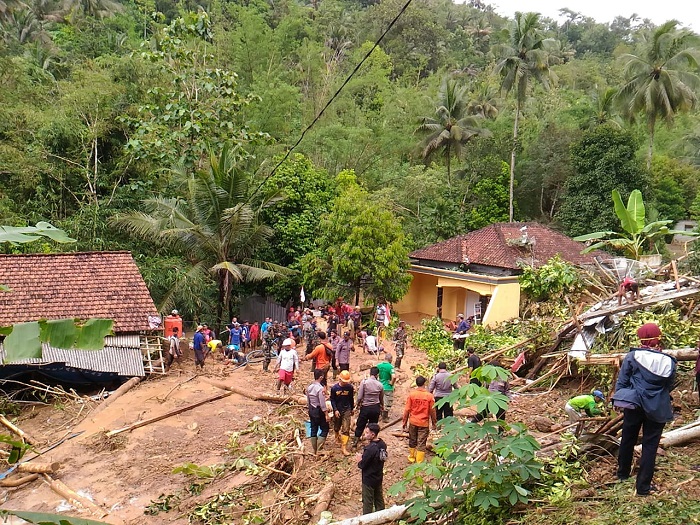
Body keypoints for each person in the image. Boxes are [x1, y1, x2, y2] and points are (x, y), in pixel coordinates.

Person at [613, 322, 676, 496]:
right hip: (657, 407)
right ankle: (643, 487)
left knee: (628, 438)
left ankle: (622, 474)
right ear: (658, 338)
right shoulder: (669, 361)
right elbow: (669, 385)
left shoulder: (633, 356)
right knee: (650, 445)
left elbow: (622, 381)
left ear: (641, 338)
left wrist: (620, 399)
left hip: (634, 404)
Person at [403, 376, 436, 464]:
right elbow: (432, 411)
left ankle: (411, 458)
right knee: (421, 442)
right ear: (424, 384)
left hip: (413, 421)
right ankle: (419, 461)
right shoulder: (429, 396)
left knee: (412, 439)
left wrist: (404, 422)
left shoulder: (412, 395)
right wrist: (434, 423)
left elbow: (407, 409)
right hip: (423, 423)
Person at [356, 422, 387, 515]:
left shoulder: (370, 449)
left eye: (366, 433)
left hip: (368, 479)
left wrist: (359, 460)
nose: (365, 435)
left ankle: (367, 519)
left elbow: (362, 465)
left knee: (368, 501)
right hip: (378, 476)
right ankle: (382, 516)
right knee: (379, 498)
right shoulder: (382, 444)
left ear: (373, 435)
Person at [353, 367, 384, 448]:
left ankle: (355, 442)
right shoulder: (380, 385)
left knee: (360, 424)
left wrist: (357, 404)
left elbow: (359, 396)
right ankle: (371, 443)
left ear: (370, 373)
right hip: (375, 408)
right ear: (377, 375)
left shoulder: (364, 382)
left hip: (365, 407)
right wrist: (382, 406)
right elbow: (381, 398)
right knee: (373, 425)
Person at [330, 370, 355, 456]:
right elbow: (332, 400)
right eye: (344, 381)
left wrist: (352, 408)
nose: (345, 383)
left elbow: (351, 398)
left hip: (347, 409)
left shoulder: (350, 388)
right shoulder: (334, 388)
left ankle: (344, 447)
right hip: (338, 409)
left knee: (346, 429)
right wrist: (335, 410)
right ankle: (337, 435)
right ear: (339, 379)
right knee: (337, 426)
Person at [307, 369, 329, 456]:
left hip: (312, 409)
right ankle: (319, 450)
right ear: (321, 377)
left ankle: (314, 450)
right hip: (319, 410)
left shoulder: (309, 387)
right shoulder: (320, 389)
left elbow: (308, 400)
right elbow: (322, 403)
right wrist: (326, 414)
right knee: (325, 429)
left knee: (313, 428)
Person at [376, 353, 396, 422]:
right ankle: (385, 417)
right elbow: (394, 376)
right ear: (390, 359)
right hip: (387, 387)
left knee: (379, 400)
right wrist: (391, 383)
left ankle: (378, 415)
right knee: (387, 401)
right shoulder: (390, 367)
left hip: (379, 386)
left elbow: (374, 374)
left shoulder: (378, 365)